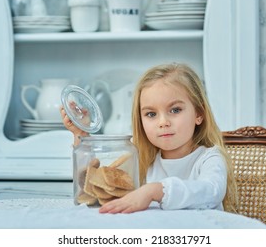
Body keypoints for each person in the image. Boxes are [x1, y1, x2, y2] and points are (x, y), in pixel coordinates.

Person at [60, 63, 238, 214]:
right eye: (151, 114)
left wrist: (155, 190)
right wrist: (81, 135)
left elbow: (211, 191)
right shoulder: (142, 161)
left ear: (199, 114)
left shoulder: (210, 159)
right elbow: (93, 187)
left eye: (175, 110)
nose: (163, 122)